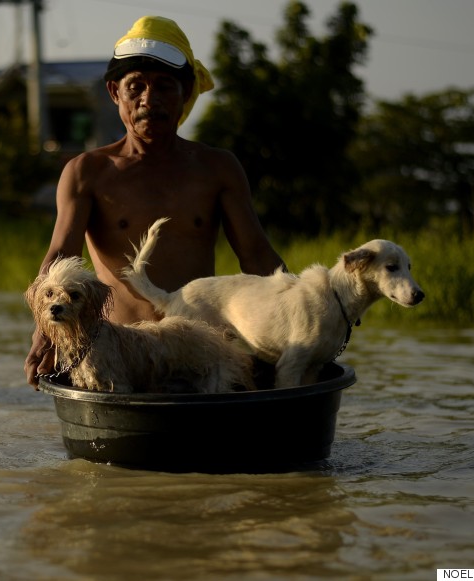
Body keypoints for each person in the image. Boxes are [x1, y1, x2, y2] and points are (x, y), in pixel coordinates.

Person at [24, 15, 285, 388]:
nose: (150, 99)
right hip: (118, 357)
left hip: (200, 354)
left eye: (165, 86)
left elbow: (259, 259)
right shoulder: (87, 171)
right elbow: (58, 260)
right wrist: (43, 334)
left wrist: (303, 316)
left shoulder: (217, 169)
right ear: (115, 93)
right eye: (136, 87)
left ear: (186, 93)